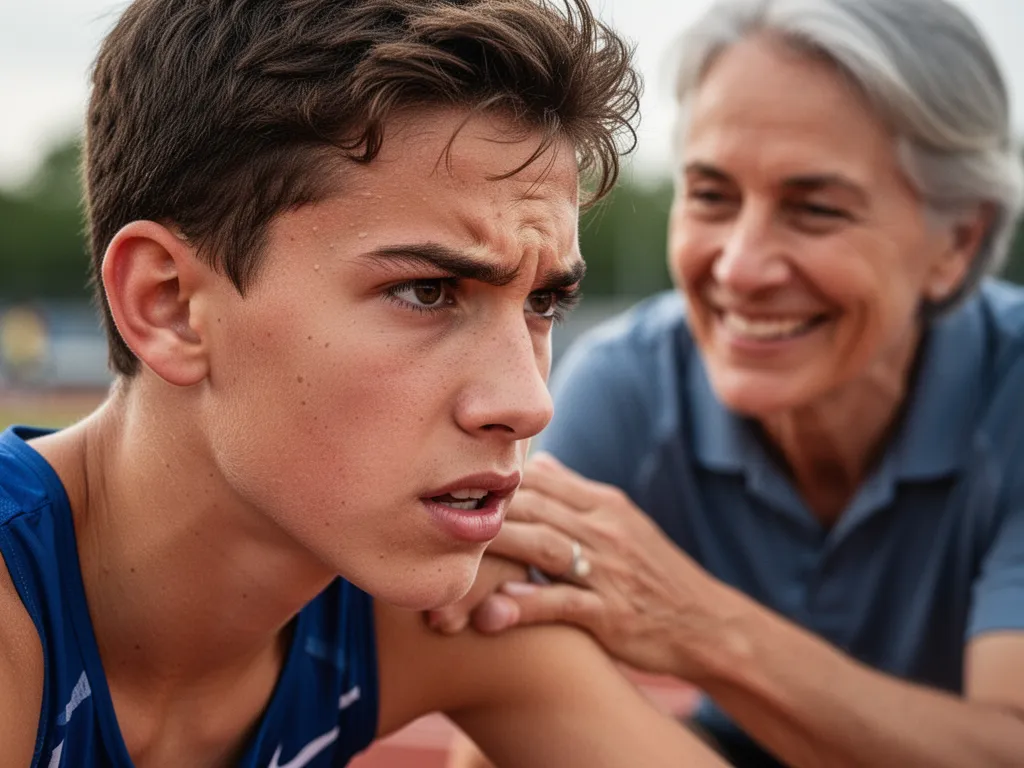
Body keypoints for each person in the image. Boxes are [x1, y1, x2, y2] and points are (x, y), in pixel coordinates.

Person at [0, 1, 733, 766]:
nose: (528, 403)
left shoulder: (425, 602)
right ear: (170, 305)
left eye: (543, 302)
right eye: (427, 292)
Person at [434, 0, 1024, 765]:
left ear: (958, 242)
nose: (741, 268)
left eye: (815, 210)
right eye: (712, 196)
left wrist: (702, 627)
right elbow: (500, 725)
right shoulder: (629, 384)